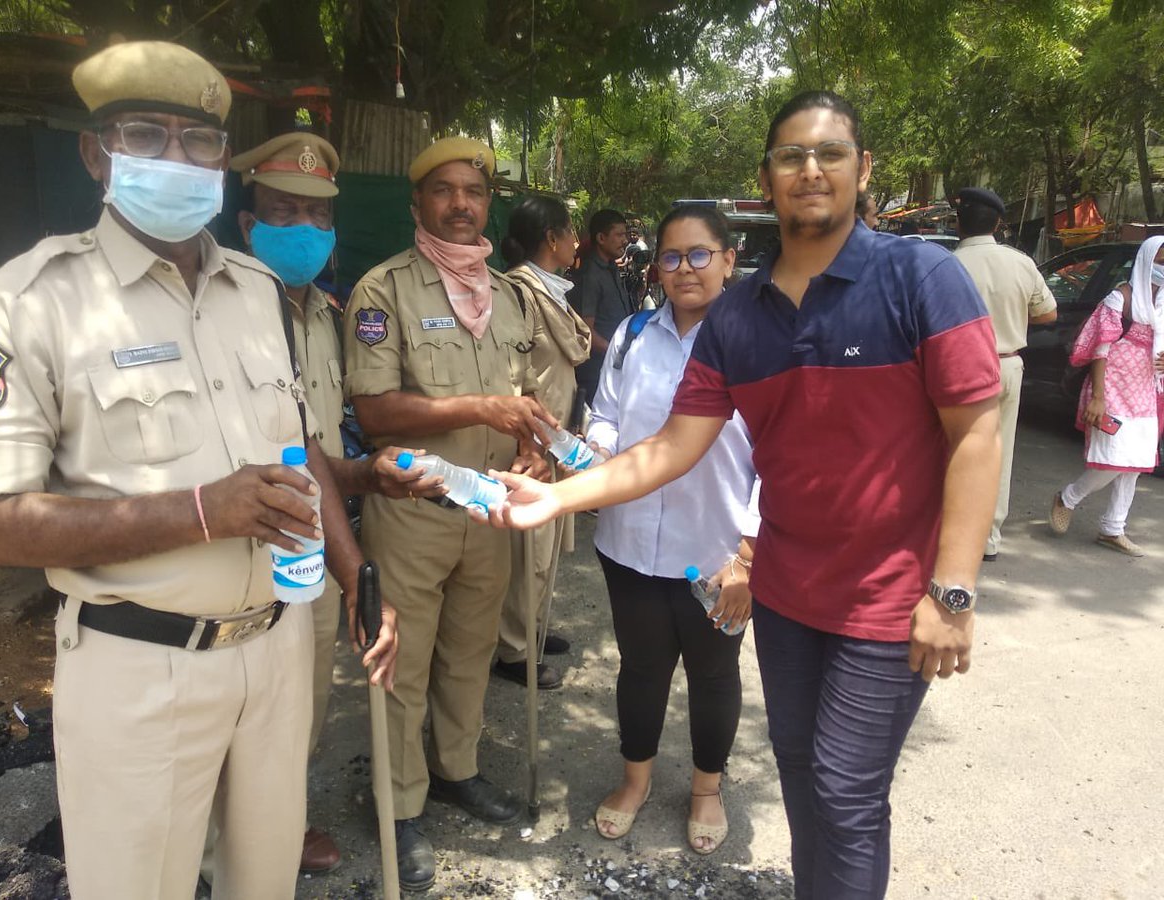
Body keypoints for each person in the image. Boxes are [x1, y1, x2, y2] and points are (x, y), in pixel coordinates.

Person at [482, 91, 1001, 899]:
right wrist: (556, 499)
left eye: (830, 153)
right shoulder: (739, 319)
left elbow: (976, 434)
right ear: (767, 179)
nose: (810, 169)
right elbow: (668, 448)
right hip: (790, 600)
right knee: (800, 776)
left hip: (890, 597)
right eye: (792, 155)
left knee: (845, 791)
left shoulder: (922, 277)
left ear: (863, 170)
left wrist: (954, 591)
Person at [0, 41, 396, 900]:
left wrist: (353, 574)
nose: (177, 159)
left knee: (264, 883)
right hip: (139, 669)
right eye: (145, 136)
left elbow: (300, 447)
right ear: (96, 154)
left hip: (275, 654)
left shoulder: (257, 291)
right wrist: (203, 510)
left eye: (199, 142)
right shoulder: (26, 301)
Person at [219, 131, 439, 875]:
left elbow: (311, 448)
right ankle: (227, 850)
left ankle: (280, 824)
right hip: (234, 546)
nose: (305, 232)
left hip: (309, 542)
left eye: (319, 218)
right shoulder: (222, 309)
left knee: (302, 702)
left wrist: (367, 477)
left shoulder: (322, 312)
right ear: (250, 226)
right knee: (233, 711)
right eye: (286, 212)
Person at [341, 136, 551, 892]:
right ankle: (397, 804)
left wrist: (534, 449)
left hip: (492, 510)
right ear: (417, 203)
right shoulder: (382, 292)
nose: (462, 204)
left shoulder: (510, 295)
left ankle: (455, 769)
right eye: (444, 191)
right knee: (405, 659)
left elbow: (526, 403)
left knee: (468, 652)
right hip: (416, 510)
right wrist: (477, 406)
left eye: (475, 191)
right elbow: (371, 410)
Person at [585, 204, 759, 856]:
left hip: (718, 552)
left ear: (727, 260)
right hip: (629, 541)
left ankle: (706, 790)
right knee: (641, 668)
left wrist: (748, 552)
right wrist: (597, 449)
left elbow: (781, 454)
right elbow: (604, 413)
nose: (684, 269)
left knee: (714, 675)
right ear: (654, 264)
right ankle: (634, 783)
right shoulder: (632, 335)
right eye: (670, 256)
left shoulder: (758, 344)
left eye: (699, 254)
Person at [494, 196, 591, 690]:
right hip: (533, 443)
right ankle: (513, 649)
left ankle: (532, 628)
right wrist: (530, 439)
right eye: (570, 231)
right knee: (529, 552)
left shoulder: (550, 291)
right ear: (552, 238)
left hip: (557, 439)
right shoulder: (520, 292)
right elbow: (513, 376)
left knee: (549, 547)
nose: (576, 241)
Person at [954, 187, 1057, 561]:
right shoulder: (1021, 263)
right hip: (1008, 364)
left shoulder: (948, 265)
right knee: (1000, 452)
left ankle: (950, 536)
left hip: (959, 368)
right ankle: (988, 539)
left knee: (955, 450)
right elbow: (1049, 314)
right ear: (999, 223)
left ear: (957, 223)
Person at [1048, 236, 1164, 557]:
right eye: (1160, 262)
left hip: (1145, 389)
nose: (1163, 270)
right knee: (1114, 459)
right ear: (1146, 261)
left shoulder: (1163, 303)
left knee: (1135, 462)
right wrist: (1097, 397)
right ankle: (1067, 498)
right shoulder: (1120, 299)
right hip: (1112, 386)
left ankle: (1113, 527)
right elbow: (1100, 349)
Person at [571, 209, 632, 403]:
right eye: (619, 235)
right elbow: (585, 330)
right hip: (596, 372)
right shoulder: (590, 274)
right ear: (601, 238)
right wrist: (618, 353)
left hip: (614, 365)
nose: (625, 240)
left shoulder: (612, 267)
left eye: (626, 234)